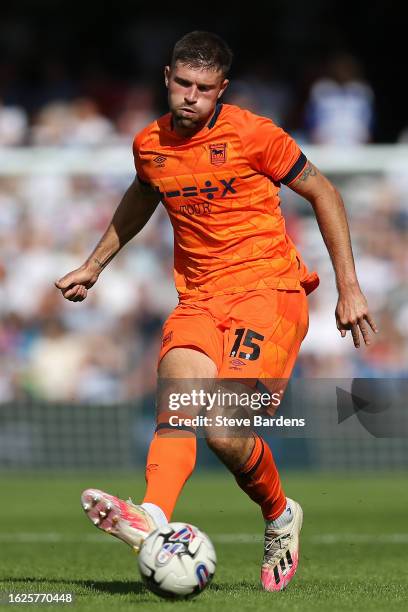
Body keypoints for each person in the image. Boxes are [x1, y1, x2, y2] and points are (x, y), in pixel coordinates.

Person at [55, 31, 378, 592]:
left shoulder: (255, 134)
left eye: (204, 88)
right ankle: (154, 518)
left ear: (221, 89)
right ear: (167, 78)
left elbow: (324, 191)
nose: (191, 96)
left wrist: (349, 288)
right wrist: (95, 264)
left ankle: (279, 513)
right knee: (179, 400)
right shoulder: (148, 144)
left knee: (225, 433)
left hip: (268, 291)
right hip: (199, 297)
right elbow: (142, 194)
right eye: (183, 83)